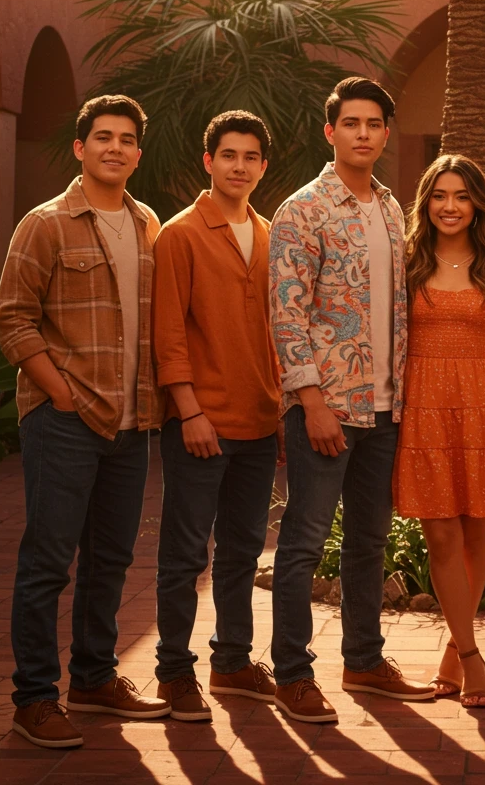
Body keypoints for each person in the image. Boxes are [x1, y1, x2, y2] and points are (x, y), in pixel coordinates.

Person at [0, 95, 169, 749]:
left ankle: (94, 677)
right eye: (102, 137)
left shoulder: (148, 222)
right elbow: (11, 317)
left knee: (112, 558)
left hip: (131, 423)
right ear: (80, 147)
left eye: (126, 139)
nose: (114, 148)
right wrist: (59, 392)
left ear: (137, 153)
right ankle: (34, 699)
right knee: (48, 560)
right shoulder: (46, 223)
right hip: (65, 421)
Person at [269, 77, 434, 723]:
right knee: (303, 542)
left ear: (386, 133)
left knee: (369, 541)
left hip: (385, 410)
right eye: (352, 123)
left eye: (374, 123)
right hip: (326, 409)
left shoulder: (392, 209)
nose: (363, 133)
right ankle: (291, 672)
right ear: (329, 130)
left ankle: (364, 660)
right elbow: (287, 316)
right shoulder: (301, 209)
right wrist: (310, 400)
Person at [393, 154, 485, 708]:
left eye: (460, 195)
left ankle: (452, 655)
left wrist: (480, 345)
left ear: (477, 202)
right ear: (425, 203)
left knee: (475, 535)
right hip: (422, 405)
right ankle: (473, 659)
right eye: (439, 195)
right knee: (441, 535)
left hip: (479, 402)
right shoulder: (407, 259)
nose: (449, 206)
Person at [152, 112, 283, 721]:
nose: (239, 166)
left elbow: (275, 332)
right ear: (209, 162)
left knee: (241, 551)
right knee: (184, 554)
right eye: (228, 155)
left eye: (250, 156)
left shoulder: (270, 231)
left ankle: (231, 662)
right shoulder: (180, 234)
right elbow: (168, 330)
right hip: (201, 422)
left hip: (258, 422)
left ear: (262, 165)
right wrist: (188, 410)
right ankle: (174, 673)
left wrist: (280, 409)